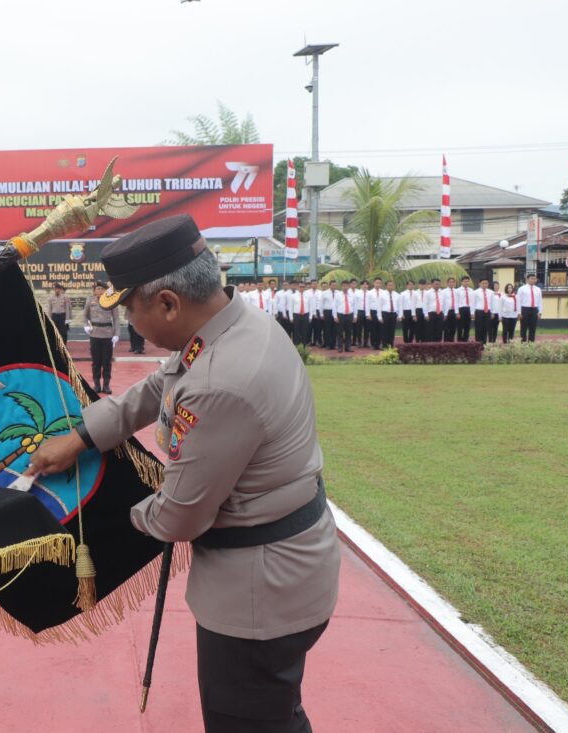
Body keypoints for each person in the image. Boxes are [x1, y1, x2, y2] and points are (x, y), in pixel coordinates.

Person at [27, 214, 339, 733]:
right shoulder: (232, 324)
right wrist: (82, 436)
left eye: (130, 307)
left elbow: (179, 517)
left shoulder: (223, 380)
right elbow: (158, 388)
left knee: (247, 721)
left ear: (168, 302)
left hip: (257, 598)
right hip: (286, 574)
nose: (129, 320)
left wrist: (105, 514)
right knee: (275, 711)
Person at [84, 281, 118, 393]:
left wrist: (116, 334)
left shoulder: (111, 301)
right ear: (94, 291)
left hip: (107, 335)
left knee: (107, 361)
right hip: (94, 334)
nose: (99, 291)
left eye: (101, 289)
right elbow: (85, 315)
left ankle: (106, 385)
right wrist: (86, 326)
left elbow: (116, 319)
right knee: (96, 361)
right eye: (97, 289)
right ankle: (97, 385)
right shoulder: (90, 301)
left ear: (105, 290)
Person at [517, 274, 543, 342]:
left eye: (535, 278)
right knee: (523, 328)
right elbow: (518, 301)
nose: (533, 280)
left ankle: (531, 343)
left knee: (533, 328)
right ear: (527, 279)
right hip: (525, 309)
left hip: (534, 309)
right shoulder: (521, 289)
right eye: (532, 278)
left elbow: (540, 301)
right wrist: (519, 312)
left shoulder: (538, 289)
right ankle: (523, 343)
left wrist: (540, 312)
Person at [292, 281, 315, 347]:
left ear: (305, 288)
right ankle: (297, 344)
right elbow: (291, 307)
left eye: (303, 287)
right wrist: (291, 317)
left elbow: (311, 306)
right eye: (300, 287)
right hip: (296, 315)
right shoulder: (293, 296)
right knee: (296, 330)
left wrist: (310, 316)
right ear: (298, 287)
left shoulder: (308, 296)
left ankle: (304, 345)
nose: (301, 288)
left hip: (305, 315)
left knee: (305, 331)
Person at [334, 280, 354, 353]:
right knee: (340, 332)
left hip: (349, 315)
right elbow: (334, 306)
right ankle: (340, 347)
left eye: (346, 286)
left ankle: (348, 347)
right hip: (340, 315)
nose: (345, 287)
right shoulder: (338, 295)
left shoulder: (352, 295)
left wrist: (355, 316)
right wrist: (335, 316)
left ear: (348, 286)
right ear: (341, 286)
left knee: (348, 332)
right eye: (343, 286)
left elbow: (354, 305)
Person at [472, 278, 494, 344]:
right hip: (479, 311)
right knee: (478, 328)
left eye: (486, 283)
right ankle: (478, 343)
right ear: (479, 284)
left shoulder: (491, 292)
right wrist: (472, 313)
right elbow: (473, 303)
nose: (485, 285)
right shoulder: (475, 292)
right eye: (483, 283)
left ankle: (484, 343)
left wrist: (492, 312)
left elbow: (492, 303)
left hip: (488, 311)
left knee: (485, 328)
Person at [455, 276, 474, 342]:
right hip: (461, 309)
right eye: (465, 281)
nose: (466, 283)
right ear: (461, 282)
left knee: (467, 326)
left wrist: (472, 312)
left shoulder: (471, 290)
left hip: (468, 309)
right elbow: (456, 302)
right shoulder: (457, 291)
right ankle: (459, 340)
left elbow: (472, 302)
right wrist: (457, 312)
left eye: (467, 281)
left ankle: (466, 340)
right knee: (460, 327)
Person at [380, 279, 397, 349]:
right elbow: (379, 306)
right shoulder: (382, 294)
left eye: (392, 285)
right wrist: (379, 317)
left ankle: (391, 343)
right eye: (389, 285)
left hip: (393, 314)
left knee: (392, 329)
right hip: (385, 314)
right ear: (386, 286)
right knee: (385, 330)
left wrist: (399, 315)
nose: (391, 286)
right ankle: (384, 344)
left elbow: (398, 306)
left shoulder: (396, 294)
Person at [441, 277, 458, 342]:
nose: (451, 283)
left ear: (454, 283)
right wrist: (444, 313)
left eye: (453, 282)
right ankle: (446, 343)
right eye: (450, 282)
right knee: (446, 328)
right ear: (447, 283)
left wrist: (457, 312)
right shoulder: (443, 292)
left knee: (453, 328)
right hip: (447, 311)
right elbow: (442, 303)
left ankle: (452, 342)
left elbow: (458, 302)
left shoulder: (457, 291)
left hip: (455, 311)